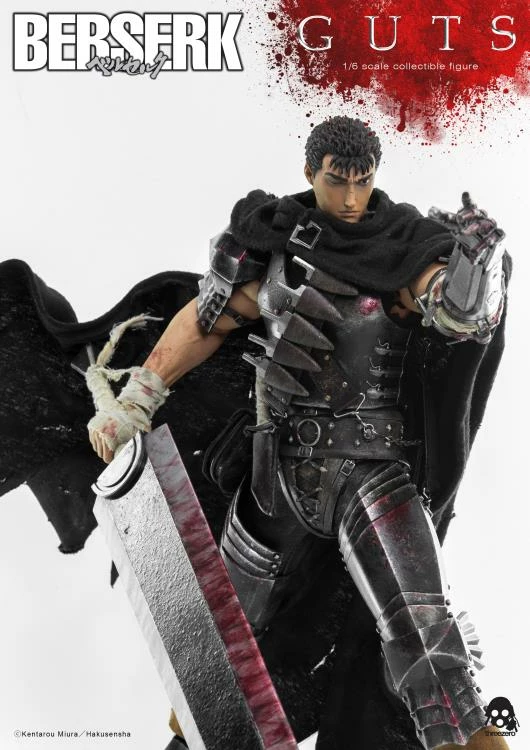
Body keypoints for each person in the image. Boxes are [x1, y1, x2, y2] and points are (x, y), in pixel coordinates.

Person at [88, 116, 509, 750]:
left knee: (426, 638)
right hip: (275, 471)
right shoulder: (273, 238)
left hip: (370, 469)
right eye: (337, 180)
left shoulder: (402, 246)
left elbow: (457, 315)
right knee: (219, 642)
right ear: (310, 172)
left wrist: (475, 263)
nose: (350, 198)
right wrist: (136, 401)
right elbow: (206, 321)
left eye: (362, 181)